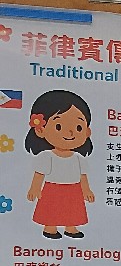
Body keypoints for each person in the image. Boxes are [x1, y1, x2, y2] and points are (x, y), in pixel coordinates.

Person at [25, 90, 94, 239]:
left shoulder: (78, 158)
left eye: (78, 128)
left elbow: (83, 176)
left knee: (72, 210)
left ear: (87, 132)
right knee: (52, 209)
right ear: (40, 129)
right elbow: (39, 174)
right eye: (58, 126)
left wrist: (86, 190)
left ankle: (71, 227)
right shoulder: (47, 156)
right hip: (52, 188)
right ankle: (50, 228)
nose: (70, 133)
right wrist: (35, 188)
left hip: (74, 189)